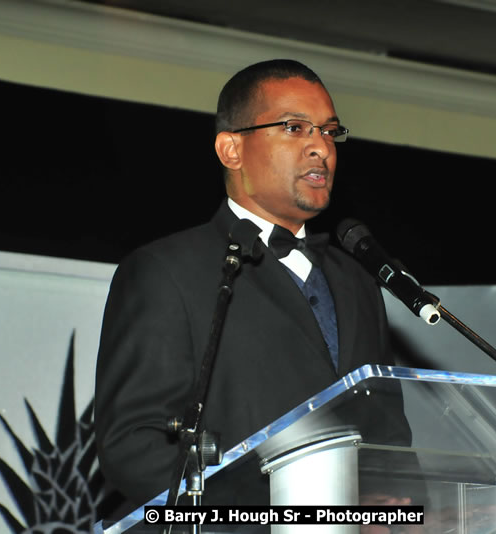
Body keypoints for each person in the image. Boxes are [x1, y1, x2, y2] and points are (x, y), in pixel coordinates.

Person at [94, 59, 414, 516]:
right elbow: (133, 444)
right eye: (295, 127)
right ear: (231, 150)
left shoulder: (358, 279)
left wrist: (404, 511)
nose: (319, 147)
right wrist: (279, 515)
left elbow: (389, 436)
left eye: (328, 131)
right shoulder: (166, 270)